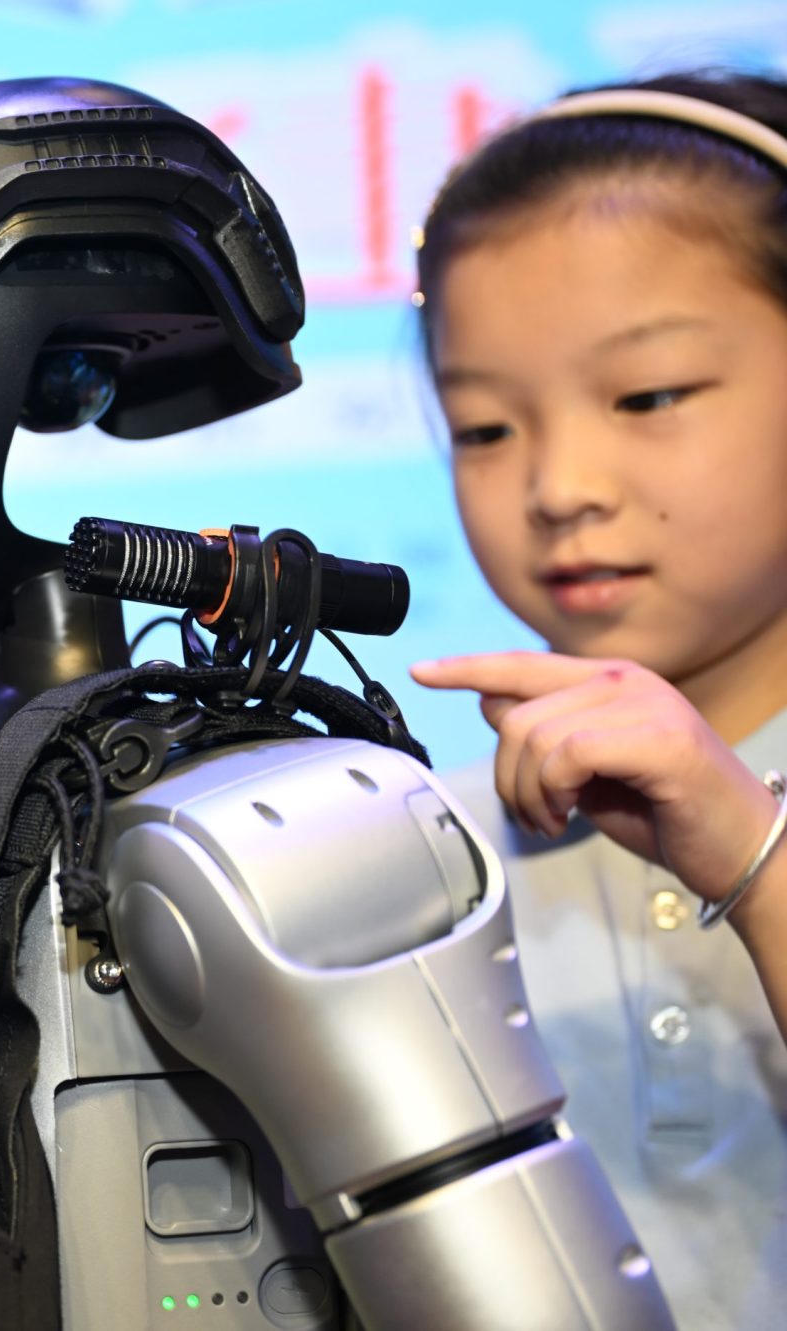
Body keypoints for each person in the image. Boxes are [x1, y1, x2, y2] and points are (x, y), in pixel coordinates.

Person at [406, 70, 787, 1330]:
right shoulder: (423, 860)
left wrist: (752, 858)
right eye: (482, 427)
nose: (559, 484)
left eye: (645, 396)